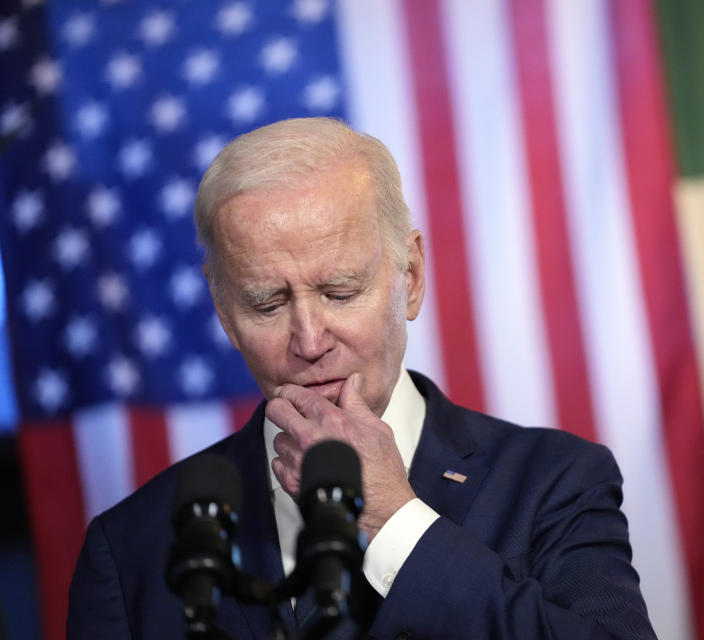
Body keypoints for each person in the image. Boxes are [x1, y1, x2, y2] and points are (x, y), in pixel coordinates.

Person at [67, 117, 658, 639]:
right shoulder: (130, 549)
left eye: (340, 292)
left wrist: (394, 519)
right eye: (267, 304)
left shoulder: (554, 482)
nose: (310, 341)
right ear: (225, 315)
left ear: (412, 277)